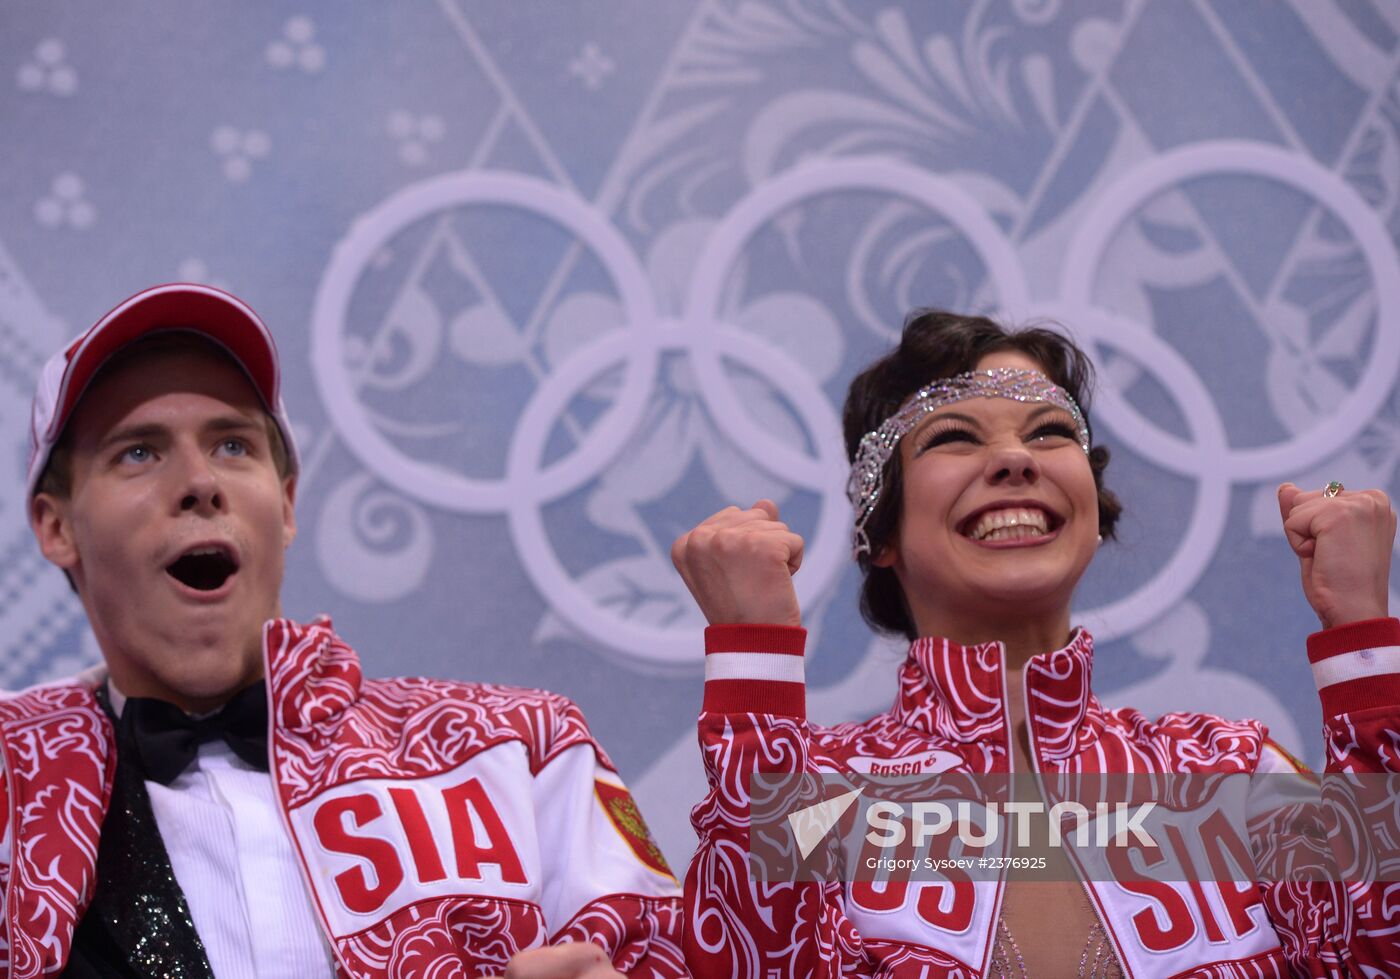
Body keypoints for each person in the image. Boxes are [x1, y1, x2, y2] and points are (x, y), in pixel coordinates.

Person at [671, 308, 1400, 977]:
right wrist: (753, 661)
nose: (1017, 460)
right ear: (880, 531)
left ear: (1090, 503)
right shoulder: (821, 792)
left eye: (1050, 432)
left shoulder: (1225, 772)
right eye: (955, 436)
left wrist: (1363, 634)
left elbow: (1379, 954)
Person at [0, 283, 685, 979]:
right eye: (139, 452)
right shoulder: (13, 784)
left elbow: (794, 945)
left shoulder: (522, 748)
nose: (200, 481)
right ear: (57, 526)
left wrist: (769, 684)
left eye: (233, 443)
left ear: (288, 503)